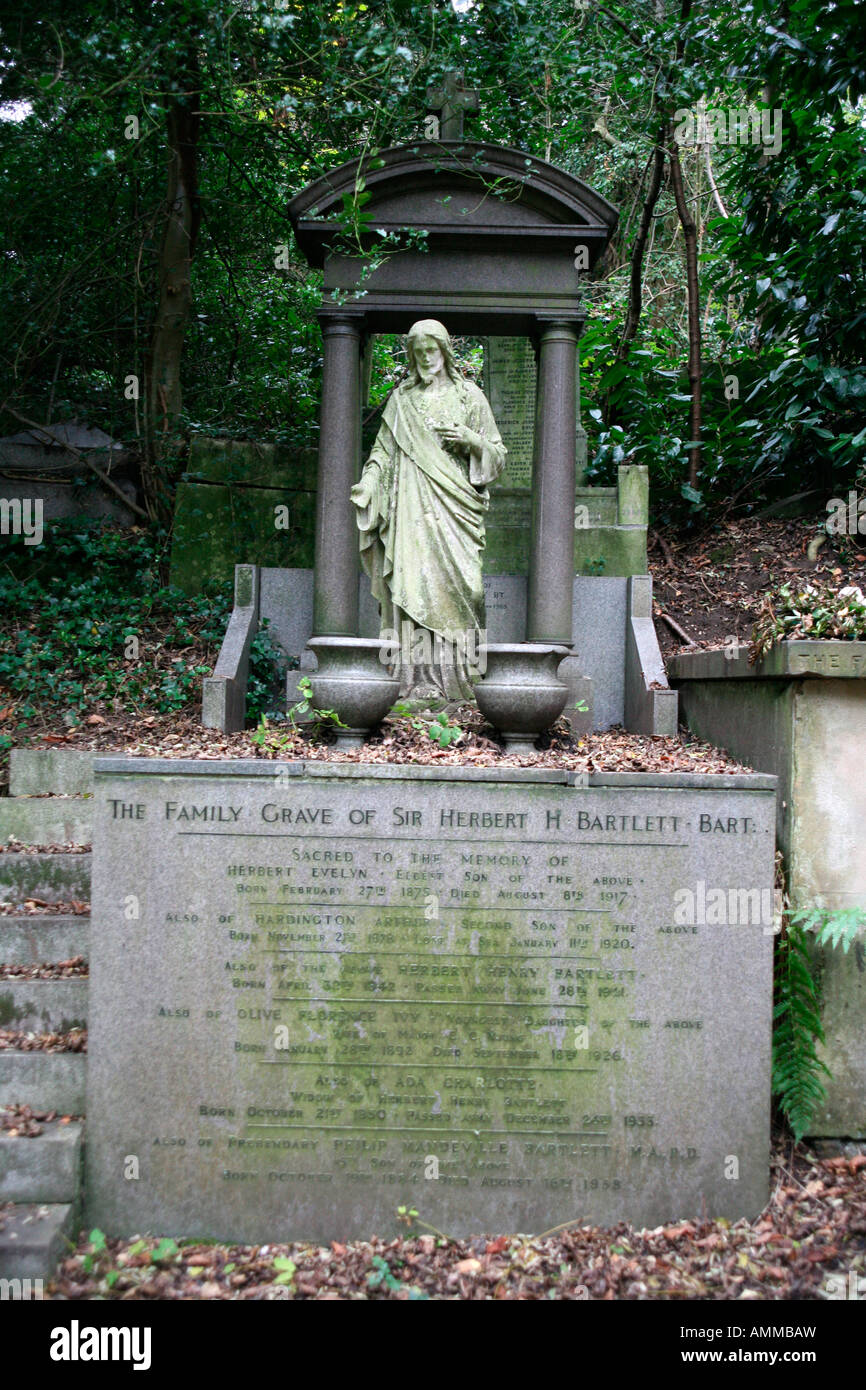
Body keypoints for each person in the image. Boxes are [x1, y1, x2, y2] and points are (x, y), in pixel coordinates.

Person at [350, 319, 507, 699]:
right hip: (411, 512)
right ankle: (411, 683)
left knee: (465, 590)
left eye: (431, 351)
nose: (425, 358)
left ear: (445, 351)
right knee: (411, 585)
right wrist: (369, 483)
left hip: (456, 511)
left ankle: (461, 684)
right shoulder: (402, 400)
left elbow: (498, 455)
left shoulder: (470, 397)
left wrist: (471, 441)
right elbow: (382, 452)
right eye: (418, 352)